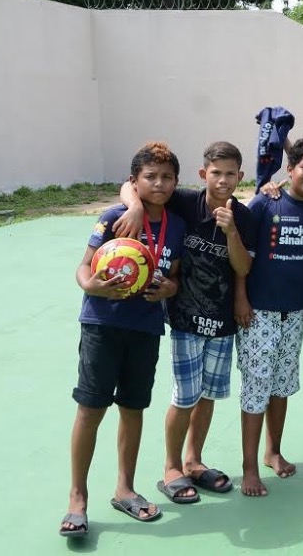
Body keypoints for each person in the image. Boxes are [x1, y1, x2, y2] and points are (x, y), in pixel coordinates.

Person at [116, 141, 254, 503]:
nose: (223, 180)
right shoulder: (184, 202)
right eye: (216, 172)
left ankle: (194, 461)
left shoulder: (245, 217)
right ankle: (171, 467)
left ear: (241, 177)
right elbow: (133, 185)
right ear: (202, 174)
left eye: (230, 174)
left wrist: (232, 232)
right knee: (185, 396)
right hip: (184, 318)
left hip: (222, 321)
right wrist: (132, 207)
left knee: (208, 395)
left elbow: (243, 267)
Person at [61, 142, 185, 537]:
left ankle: (125, 489)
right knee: (90, 409)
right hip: (102, 326)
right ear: (134, 181)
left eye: (167, 177)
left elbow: (175, 275)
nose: (159, 184)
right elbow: (84, 267)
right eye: (150, 177)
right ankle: (77, 499)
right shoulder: (115, 216)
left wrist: (169, 289)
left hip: (145, 329)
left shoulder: (177, 225)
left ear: (176, 182)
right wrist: (93, 287)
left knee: (133, 410)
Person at [237, 137, 303, 496]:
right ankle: (249, 468)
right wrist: (241, 299)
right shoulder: (265, 202)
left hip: (295, 313)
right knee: (256, 387)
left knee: (281, 386)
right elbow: (240, 258)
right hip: (257, 312)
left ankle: (272, 452)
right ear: (289, 170)